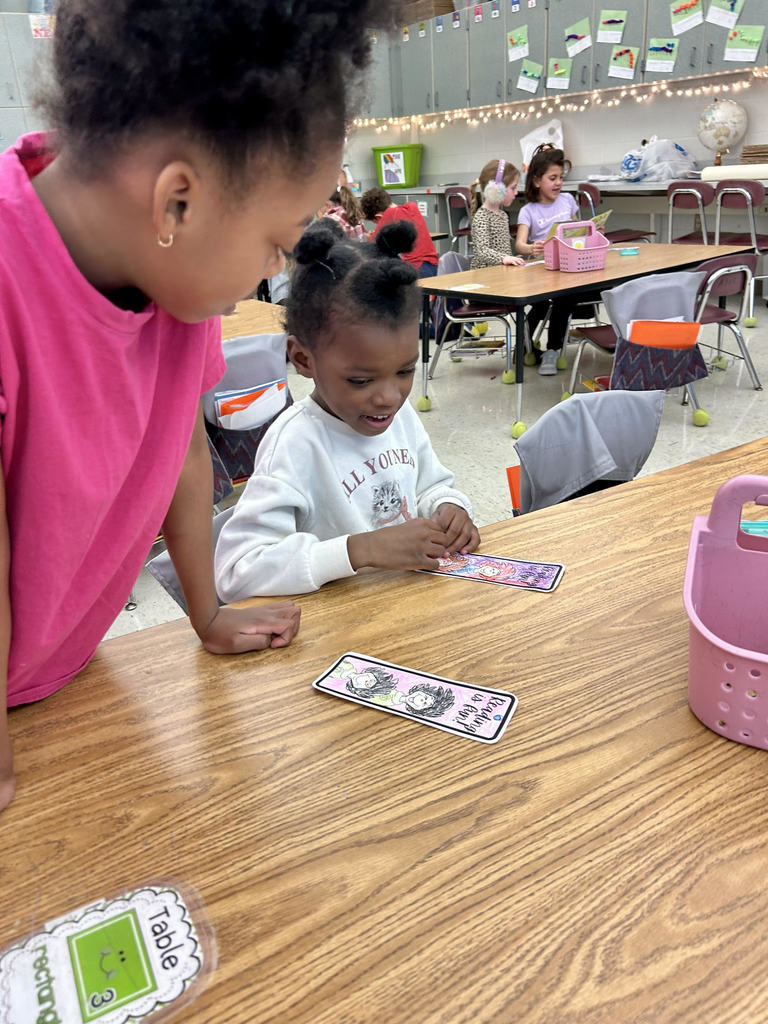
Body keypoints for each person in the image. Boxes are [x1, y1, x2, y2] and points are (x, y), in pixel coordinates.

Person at [0, 0, 401, 814]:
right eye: (275, 246)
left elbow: (180, 452)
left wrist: (207, 609)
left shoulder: (175, 291)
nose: (272, 271)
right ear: (177, 202)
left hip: (64, 674)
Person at [214, 221, 480, 601]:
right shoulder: (295, 444)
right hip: (338, 632)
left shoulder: (399, 418)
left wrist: (449, 507)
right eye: (361, 380)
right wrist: (359, 551)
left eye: (405, 371)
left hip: (402, 608)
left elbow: (431, 485)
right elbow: (237, 572)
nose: (389, 397)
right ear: (303, 359)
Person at [515, 147, 584, 376]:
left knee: (565, 298)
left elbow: (577, 229)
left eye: (561, 178)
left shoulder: (567, 201)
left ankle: (553, 350)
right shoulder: (528, 211)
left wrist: (590, 230)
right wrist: (531, 247)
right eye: (552, 178)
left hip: (568, 268)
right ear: (536, 181)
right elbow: (520, 245)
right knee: (541, 303)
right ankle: (522, 346)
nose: (558, 183)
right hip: (541, 270)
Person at [360, 186, 439, 277]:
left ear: (379, 217)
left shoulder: (389, 213)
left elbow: (373, 244)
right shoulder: (411, 207)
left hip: (415, 269)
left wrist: (368, 235)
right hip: (433, 265)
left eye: (377, 222)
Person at [469, 158, 526, 270]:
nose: (516, 192)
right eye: (513, 188)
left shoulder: (503, 215)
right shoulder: (482, 217)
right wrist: (504, 258)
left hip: (500, 272)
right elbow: (482, 250)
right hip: (485, 275)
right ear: (497, 189)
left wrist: (508, 259)